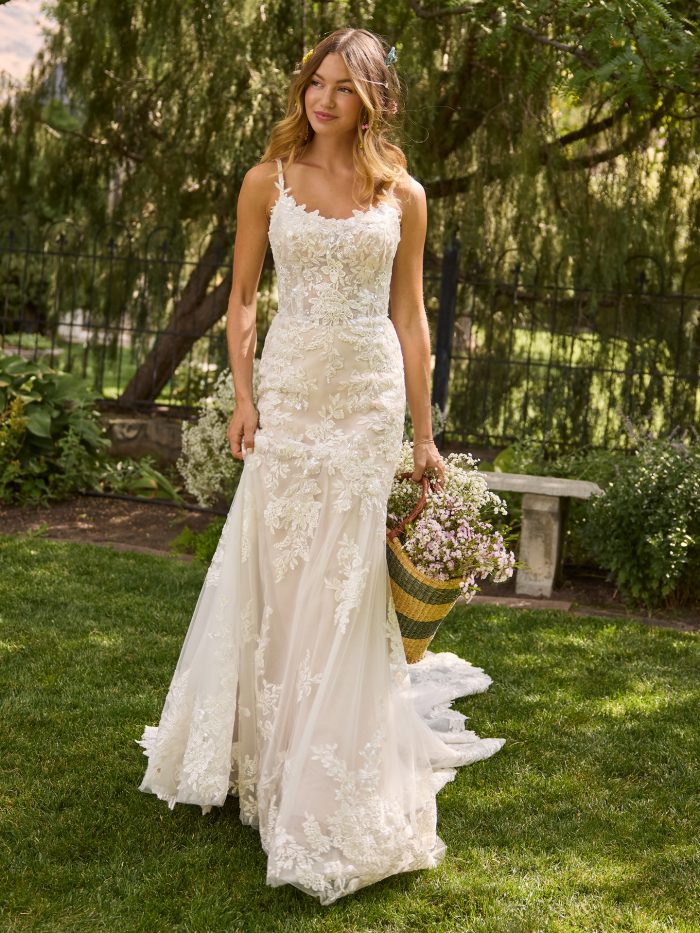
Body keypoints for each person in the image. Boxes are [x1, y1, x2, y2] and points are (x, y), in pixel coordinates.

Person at [136, 26, 505, 905]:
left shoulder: (404, 194)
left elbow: (411, 318)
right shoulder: (266, 181)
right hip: (293, 392)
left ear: (372, 99)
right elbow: (241, 300)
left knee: (344, 582)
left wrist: (423, 435)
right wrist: (244, 397)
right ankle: (261, 745)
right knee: (277, 566)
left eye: (344, 87)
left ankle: (325, 768)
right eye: (316, 82)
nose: (325, 99)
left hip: (367, 402)